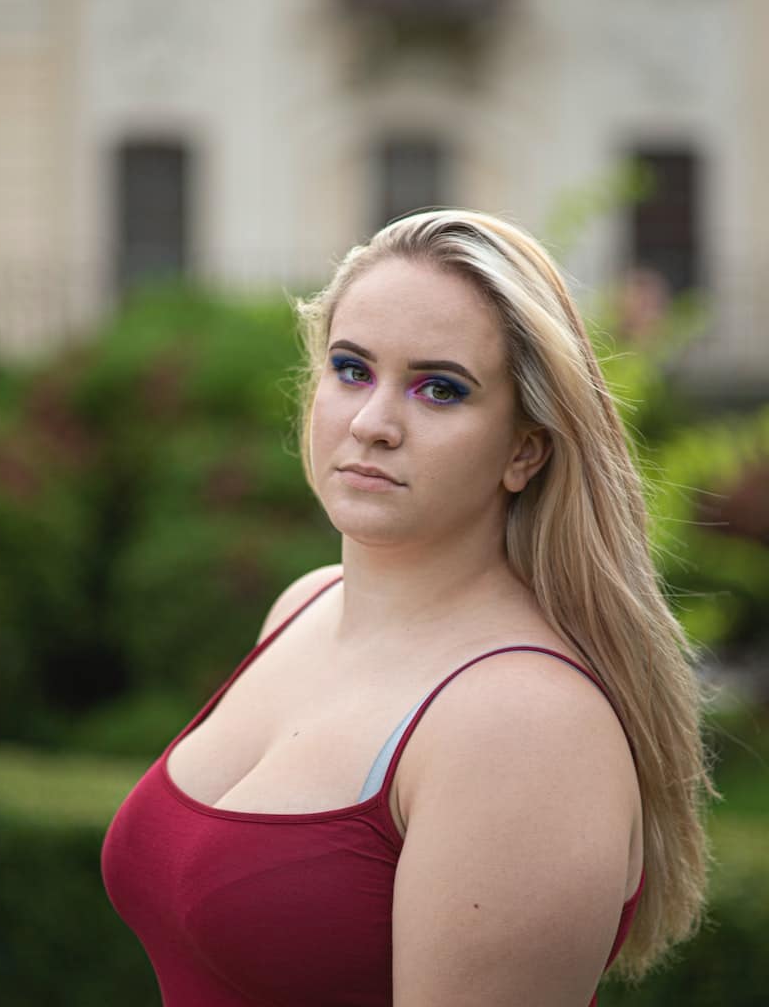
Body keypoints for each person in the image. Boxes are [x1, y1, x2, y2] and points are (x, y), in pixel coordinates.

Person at [102, 208, 711, 1006]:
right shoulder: (304, 606)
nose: (372, 424)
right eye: (351, 369)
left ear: (525, 449)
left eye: (440, 389)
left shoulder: (526, 723)